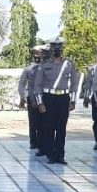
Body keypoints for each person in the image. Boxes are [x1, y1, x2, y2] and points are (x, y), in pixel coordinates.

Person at [33, 37, 79, 165]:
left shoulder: (69, 64)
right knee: (48, 127)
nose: (57, 50)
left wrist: (73, 101)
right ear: (51, 49)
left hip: (63, 98)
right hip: (49, 98)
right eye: (54, 48)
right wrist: (40, 102)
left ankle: (60, 155)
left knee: (61, 128)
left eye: (59, 47)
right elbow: (37, 85)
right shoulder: (44, 65)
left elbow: (74, 82)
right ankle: (50, 155)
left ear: (62, 49)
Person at [18, 46, 44, 152]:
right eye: (35, 53)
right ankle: (33, 142)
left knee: (44, 122)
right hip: (32, 99)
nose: (37, 56)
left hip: (45, 99)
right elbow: (22, 84)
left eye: (39, 53)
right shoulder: (28, 69)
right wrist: (23, 97)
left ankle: (43, 142)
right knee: (33, 122)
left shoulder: (47, 68)